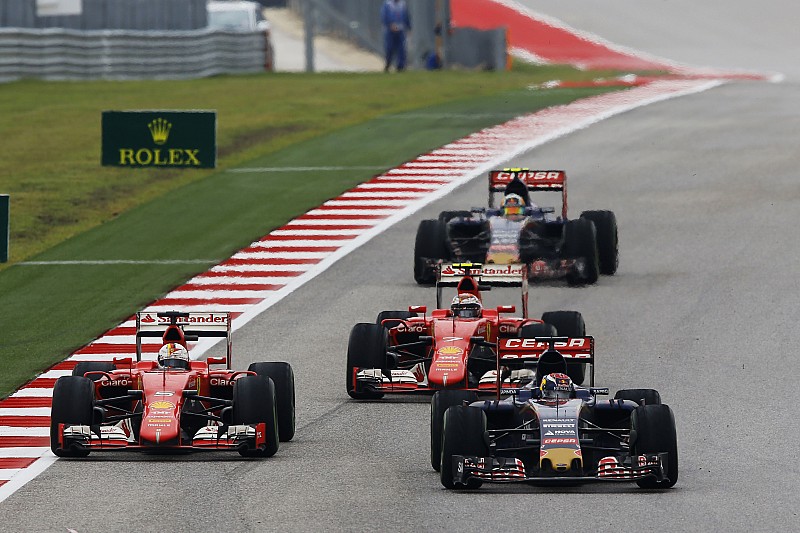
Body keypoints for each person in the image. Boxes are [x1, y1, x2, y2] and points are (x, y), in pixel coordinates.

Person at [381, 0, 411, 72]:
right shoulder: (387, 4)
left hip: (400, 29)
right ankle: (388, 64)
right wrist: (390, 24)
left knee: (401, 48)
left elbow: (406, 16)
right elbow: (384, 16)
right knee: (389, 48)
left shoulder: (402, 4)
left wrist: (409, 27)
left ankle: (400, 66)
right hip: (390, 30)